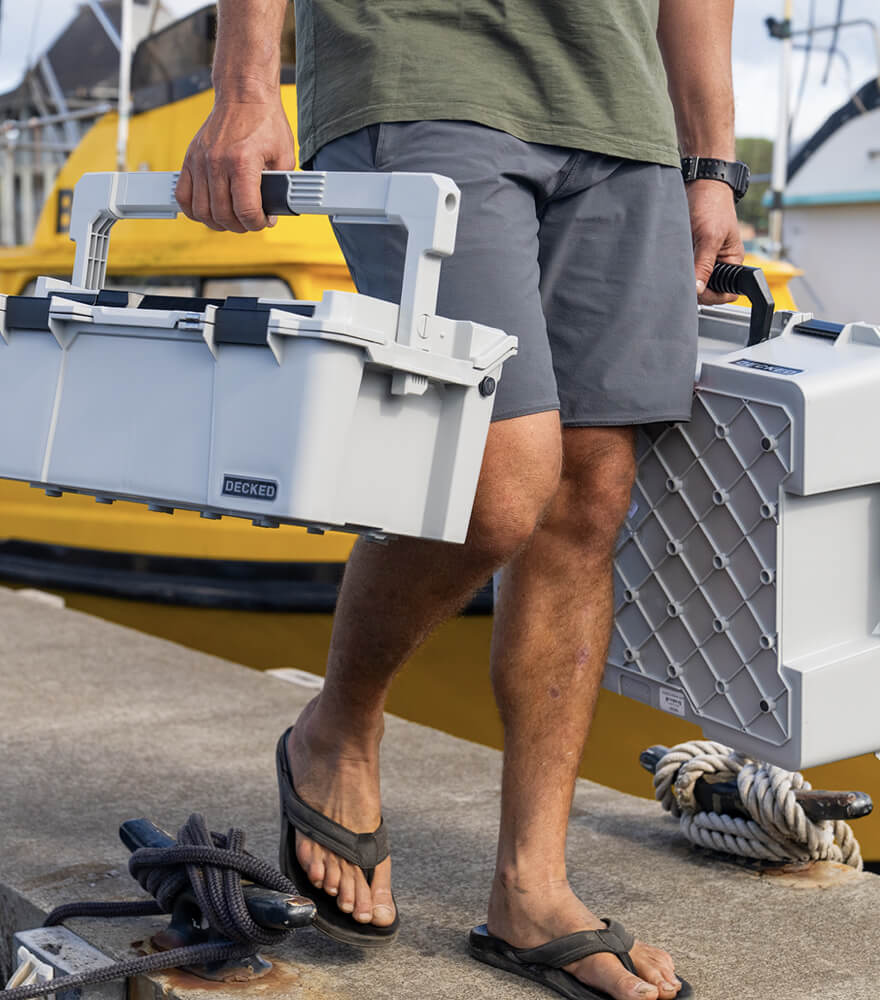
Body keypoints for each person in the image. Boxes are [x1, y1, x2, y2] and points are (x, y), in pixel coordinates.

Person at [177, 2, 745, 997]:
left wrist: (709, 160)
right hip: (424, 66)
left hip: (617, 106)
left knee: (588, 498)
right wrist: (245, 88)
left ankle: (531, 887)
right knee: (498, 481)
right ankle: (337, 726)